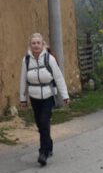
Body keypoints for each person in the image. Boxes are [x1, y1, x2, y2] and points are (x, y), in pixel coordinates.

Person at [19, 33, 69, 166]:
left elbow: (58, 77)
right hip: (34, 96)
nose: (36, 45)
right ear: (30, 45)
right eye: (33, 43)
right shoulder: (27, 60)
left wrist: (65, 96)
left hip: (48, 95)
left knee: (44, 121)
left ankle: (43, 153)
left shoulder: (49, 59)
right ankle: (49, 144)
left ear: (43, 44)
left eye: (38, 43)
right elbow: (23, 80)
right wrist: (23, 98)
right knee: (40, 125)